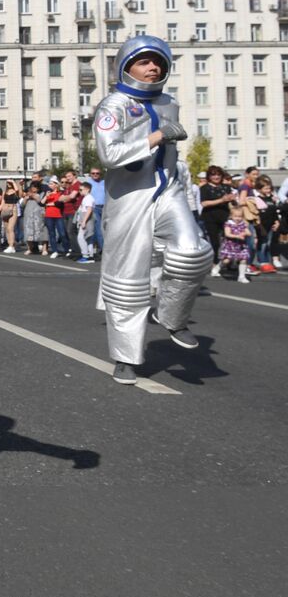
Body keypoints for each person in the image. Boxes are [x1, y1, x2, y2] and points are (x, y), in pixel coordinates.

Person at [93, 36, 212, 385]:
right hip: (129, 200)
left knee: (193, 253)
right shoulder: (112, 105)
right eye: (144, 61)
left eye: (158, 61)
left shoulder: (168, 102)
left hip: (168, 191)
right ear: (126, 65)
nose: (153, 67)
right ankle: (125, 357)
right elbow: (109, 156)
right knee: (128, 282)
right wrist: (156, 137)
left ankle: (173, 316)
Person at [198, 166, 235, 274]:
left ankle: (228, 262)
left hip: (225, 216)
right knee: (214, 242)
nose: (216, 177)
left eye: (218, 174)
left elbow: (231, 202)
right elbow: (204, 203)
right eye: (213, 175)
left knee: (229, 240)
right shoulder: (204, 188)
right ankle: (214, 264)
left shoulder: (226, 187)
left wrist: (233, 200)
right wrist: (221, 200)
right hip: (210, 217)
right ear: (209, 176)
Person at [218, 204, 252, 283]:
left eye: (240, 216)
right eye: (236, 216)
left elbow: (249, 233)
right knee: (226, 260)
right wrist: (237, 236)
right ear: (231, 216)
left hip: (241, 245)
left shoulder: (243, 224)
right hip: (230, 245)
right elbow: (227, 234)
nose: (238, 218)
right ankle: (218, 267)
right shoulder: (228, 224)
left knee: (243, 259)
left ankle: (241, 276)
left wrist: (244, 234)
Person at [73, 181, 96, 262]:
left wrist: (84, 221)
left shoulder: (88, 198)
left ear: (87, 189)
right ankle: (91, 256)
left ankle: (85, 255)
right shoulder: (86, 198)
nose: (79, 191)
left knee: (81, 238)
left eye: (81, 190)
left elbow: (89, 210)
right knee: (88, 238)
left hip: (87, 220)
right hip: (85, 219)